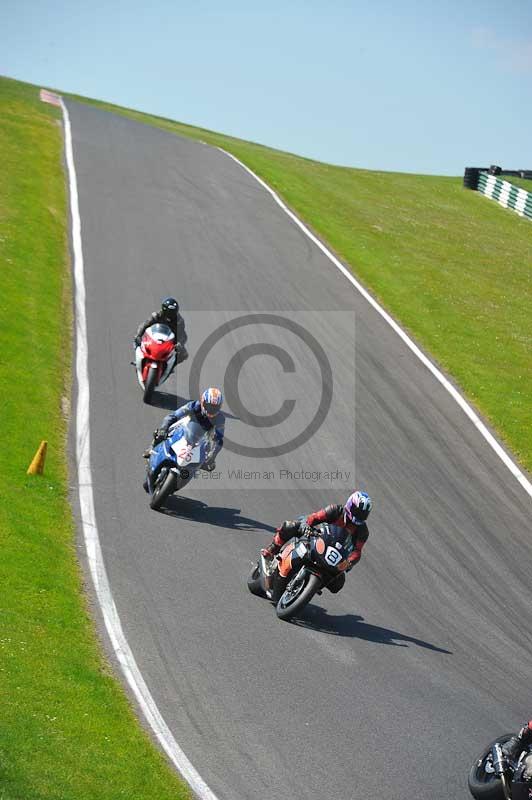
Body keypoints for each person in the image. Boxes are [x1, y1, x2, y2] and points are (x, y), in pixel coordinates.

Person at [261, 490, 372, 596]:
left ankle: (311, 588)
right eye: (357, 512)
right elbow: (313, 517)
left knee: (338, 584)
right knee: (291, 526)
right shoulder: (335, 510)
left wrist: (348, 562)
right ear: (350, 504)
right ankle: (272, 549)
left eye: (363, 514)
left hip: (334, 556)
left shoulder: (362, 531)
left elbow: (357, 551)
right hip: (317, 538)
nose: (359, 516)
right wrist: (306, 526)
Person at [144, 387, 225, 472]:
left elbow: (219, 439)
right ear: (202, 401)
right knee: (161, 432)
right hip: (185, 428)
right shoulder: (194, 406)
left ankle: (189, 471)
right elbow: (173, 416)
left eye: (214, 408)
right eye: (209, 406)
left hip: (203, 438)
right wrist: (164, 428)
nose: (211, 410)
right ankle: (152, 447)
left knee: (207, 459)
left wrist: (212, 457)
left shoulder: (220, 419)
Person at [134, 296, 188, 363]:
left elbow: (183, 335)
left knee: (184, 354)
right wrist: (139, 335)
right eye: (168, 312)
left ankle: (171, 365)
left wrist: (180, 343)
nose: (170, 315)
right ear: (164, 310)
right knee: (137, 341)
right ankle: (139, 359)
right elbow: (145, 324)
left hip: (170, 340)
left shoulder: (179, 321)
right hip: (154, 337)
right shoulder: (157, 315)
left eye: (172, 312)